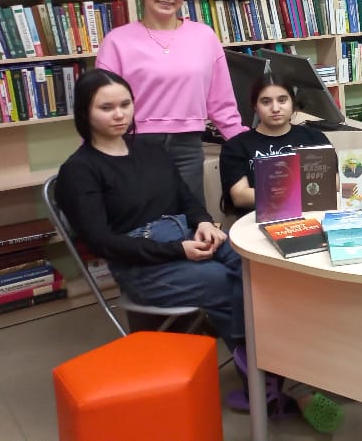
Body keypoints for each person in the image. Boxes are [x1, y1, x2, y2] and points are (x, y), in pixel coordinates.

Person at [54, 69, 342, 432]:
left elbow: (185, 198)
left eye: (125, 104)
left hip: (188, 234)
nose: (119, 114)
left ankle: (275, 374)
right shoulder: (79, 171)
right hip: (142, 263)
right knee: (228, 283)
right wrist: (178, 250)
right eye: (106, 108)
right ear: (85, 112)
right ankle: (285, 384)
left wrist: (204, 221)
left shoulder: (149, 150)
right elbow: (102, 243)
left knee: (258, 268)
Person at [96, 0, 247, 204]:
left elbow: (221, 102)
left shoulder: (204, 36)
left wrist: (246, 143)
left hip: (188, 146)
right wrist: (93, 151)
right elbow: (99, 104)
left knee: (191, 218)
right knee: (142, 218)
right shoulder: (117, 41)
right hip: (133, 144)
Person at [219, 75, 330, 215]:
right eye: (266, 102)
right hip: (259, 220)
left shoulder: (314, 138)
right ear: (255, 106)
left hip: (312, 215)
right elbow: (240, 196)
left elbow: (334, 181)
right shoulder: (236, 146)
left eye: (282, 100)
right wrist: (299, 193)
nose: (275, 108)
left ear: (292, 102)